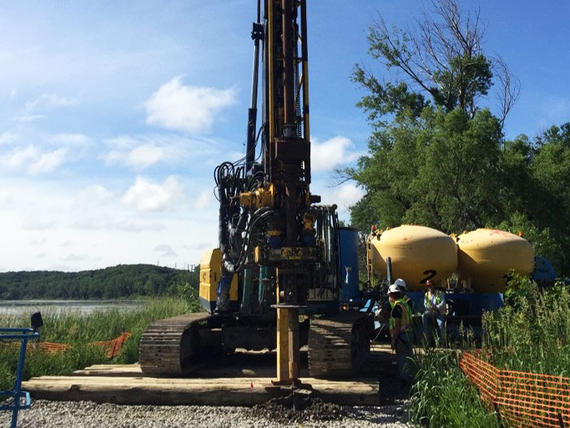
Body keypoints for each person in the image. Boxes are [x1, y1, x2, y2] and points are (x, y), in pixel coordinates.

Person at [388, 283, 413, 389]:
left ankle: (404, 385)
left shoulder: (397, 308)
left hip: (401, 336)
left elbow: (397, 325)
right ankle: (409, 381)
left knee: (402, 360)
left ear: (392, 295)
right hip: (408, 335)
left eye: (389, 295)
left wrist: (393, 339)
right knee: (408, 359)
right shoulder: (404, 304)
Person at [422, 280, 446, 346]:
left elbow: (443, 304)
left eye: (431, 285)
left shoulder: (440, 293)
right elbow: (425, 304)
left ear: (434, 285)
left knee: (441, 325)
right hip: (430, 313)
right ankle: (428, 342)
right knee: (424, 316)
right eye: (428, 286)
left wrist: (436, 307)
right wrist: (429, 307)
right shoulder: (426, 294)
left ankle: (442, 343)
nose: (429, 287)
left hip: (439, 313)